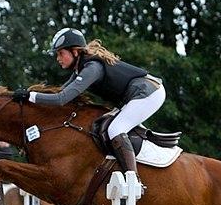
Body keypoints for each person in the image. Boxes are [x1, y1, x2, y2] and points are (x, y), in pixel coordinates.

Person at [12, 28, 166, 179]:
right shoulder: (80, 69)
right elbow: (59, 93)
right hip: (137, 95)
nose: (58, 58)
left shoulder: (92, 68)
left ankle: (133, 181)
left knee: (115, 129)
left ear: (75, 51)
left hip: (149, 92)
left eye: (60, 53)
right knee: (108, 126)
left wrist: (30, 95)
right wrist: (26, 97)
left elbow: (61, 99)